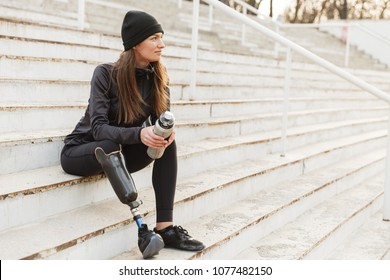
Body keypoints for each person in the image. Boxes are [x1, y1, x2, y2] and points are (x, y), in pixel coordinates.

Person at [60, 10, 205, 257]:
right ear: (136, 43)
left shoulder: (159, 79)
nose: (162, 44)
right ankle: (140, 225)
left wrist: (164, 133)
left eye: (161, 37)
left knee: (167, 143)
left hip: (121, 155)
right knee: (107, 144)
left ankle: (165, 227)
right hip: (83, 151)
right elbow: (98, 128)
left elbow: (161, 122)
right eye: (154, 38)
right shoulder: (106, 74)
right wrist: (140, 134)